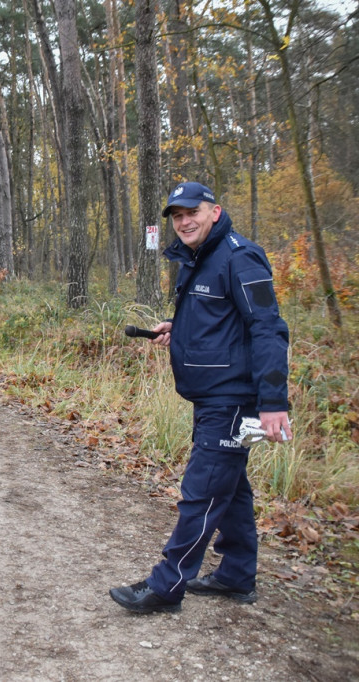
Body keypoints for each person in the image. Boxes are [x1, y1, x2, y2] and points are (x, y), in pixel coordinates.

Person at [109, 182, 292, 614]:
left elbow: (267, 328)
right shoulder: (197, 258)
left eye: (193, 212)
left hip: (234, 398)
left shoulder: (240, 256)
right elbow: (219, 316)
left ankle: (166, 585)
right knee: (230, 487)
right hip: (210, 396)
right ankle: (236, 573)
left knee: (203, 490)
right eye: (177, 215)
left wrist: (273, 402)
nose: (184, 221)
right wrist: (178, 326)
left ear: (215, 211)